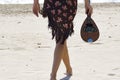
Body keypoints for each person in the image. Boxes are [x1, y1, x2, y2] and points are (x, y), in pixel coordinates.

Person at [33, 0, 93, 80]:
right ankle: (59, 73)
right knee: (61, 38)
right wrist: (87, 3)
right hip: (62, 4)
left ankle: (61, 72)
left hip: (54, 4)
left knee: (61, 37)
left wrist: (35, 2)